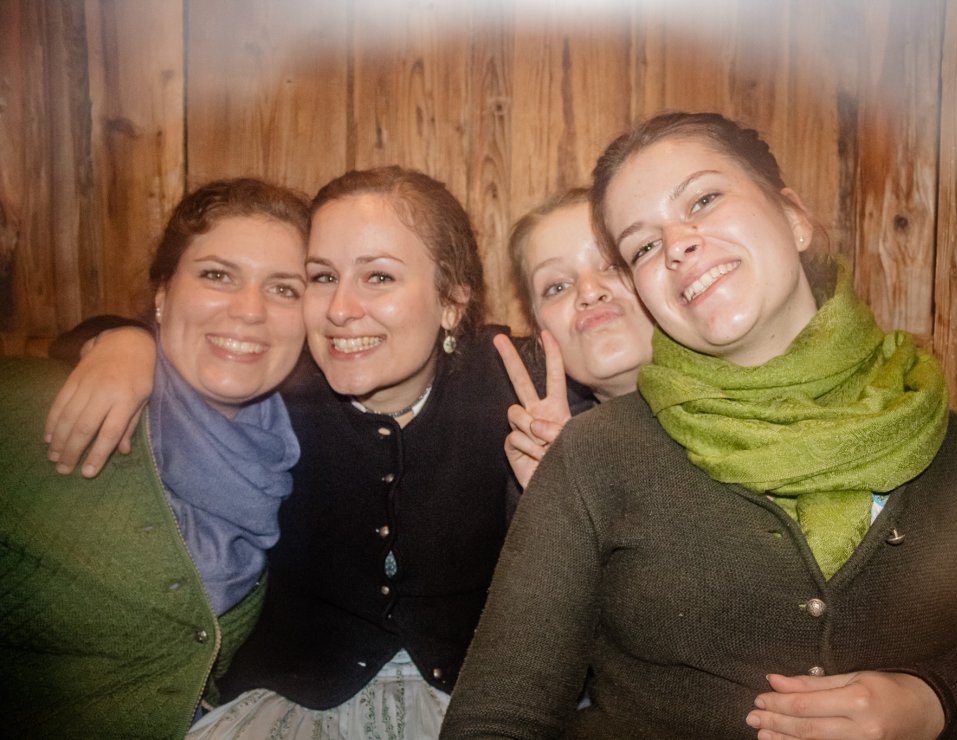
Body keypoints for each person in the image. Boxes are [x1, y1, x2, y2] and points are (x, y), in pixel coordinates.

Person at [440, 112, 957, 738]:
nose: (677, 245)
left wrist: (942, 707)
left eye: (702, 200)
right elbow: (498, 717)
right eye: (642, 246)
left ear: (794, 216)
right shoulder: (592, 458)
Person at [40, 166, 575, 738]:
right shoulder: (274, 387)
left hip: (480, 700)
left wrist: (574, 465)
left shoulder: (521, 382)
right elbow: (159, 341)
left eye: (379, 277)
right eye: (322, 277)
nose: (340, 308)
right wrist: (123, 342)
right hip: (294, 703)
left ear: (452, 301)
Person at [0, 178, 309, 737]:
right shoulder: (25, 409)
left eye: (284, 288)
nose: (249, 311)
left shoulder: (298, 447)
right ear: (163, 294)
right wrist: (121, 337)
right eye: (217, 275)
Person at [494, 187, 655, 487]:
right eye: (557, 287)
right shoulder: (551, 453)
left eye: (613, 265)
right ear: (540, 335)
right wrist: (563, 494)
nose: (589, 291)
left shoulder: (742, 408)